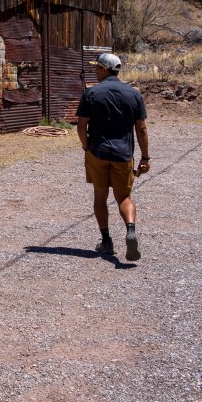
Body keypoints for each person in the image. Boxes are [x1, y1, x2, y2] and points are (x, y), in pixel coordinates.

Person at [76, 52, 150, 262]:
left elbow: (82, 126)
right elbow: (142, 129)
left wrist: (86, 147)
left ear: (105, 69)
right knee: (124, 198)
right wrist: (145, 157)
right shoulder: (134, 94)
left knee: (100, 197)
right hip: (123, 154)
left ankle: (106, 241)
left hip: (97, 153)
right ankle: (130, 229)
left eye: (97, 67)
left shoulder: (92, 93)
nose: (95, 71)